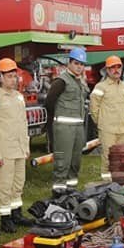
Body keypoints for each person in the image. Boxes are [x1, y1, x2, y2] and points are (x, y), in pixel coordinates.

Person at [0, 58, 31, 234]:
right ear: (0, 78)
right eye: (10, 76)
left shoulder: (19, 97)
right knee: (4, 186)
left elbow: (23, 123)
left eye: (15, 76)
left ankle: (16, 214)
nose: (14, 80)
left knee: (18, 183)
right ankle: (5, 219)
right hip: (4, 150)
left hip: (19, 149)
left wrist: (26, 146)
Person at [44, 46, 89, 195]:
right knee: (62, 163)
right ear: (69, 63)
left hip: (77, 128)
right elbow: (49, 102)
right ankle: (58, 193)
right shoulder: (61, 81)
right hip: (64, 128)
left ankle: (71, 192)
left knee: (75, 163)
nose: (79, 67)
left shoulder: (79, 82)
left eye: (82, 64)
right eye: (76, 63)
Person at [90, 55, 124, 180]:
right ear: (107, 70)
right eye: (112, 68)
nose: (116, 70)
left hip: (123, 129)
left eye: (118, 67)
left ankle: (120, 182)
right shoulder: (100, 87)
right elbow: (93, 108)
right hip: (107, 130)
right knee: (108, 158)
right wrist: (102, 123)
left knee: (123, 157)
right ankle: (107, 183)